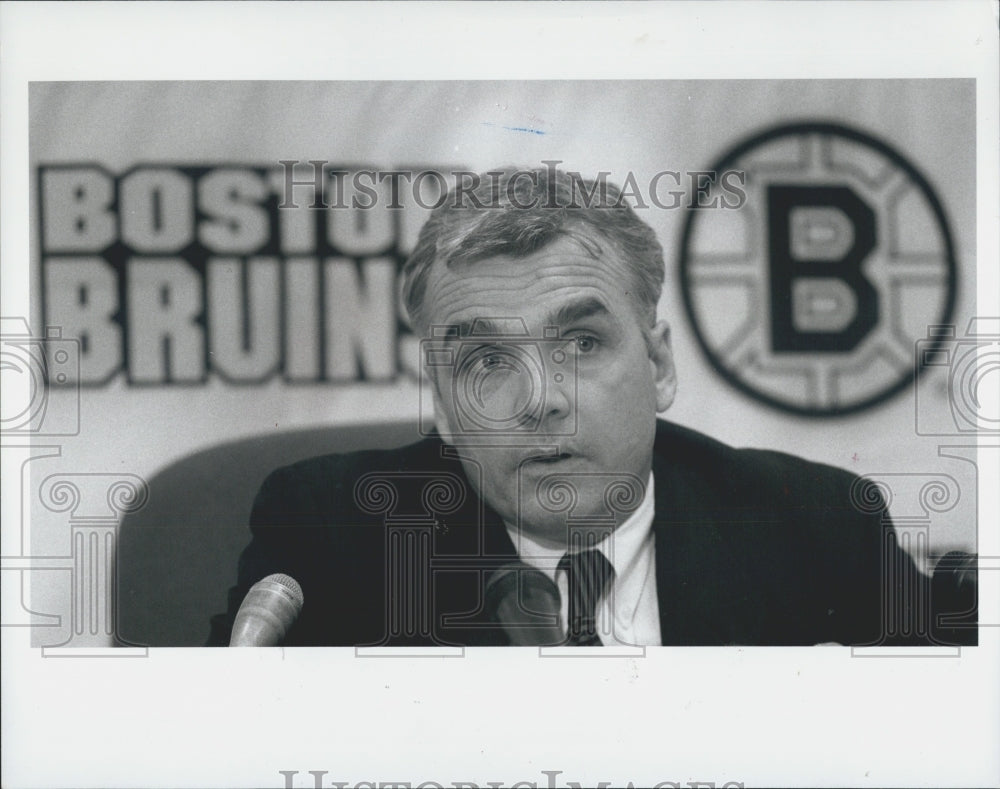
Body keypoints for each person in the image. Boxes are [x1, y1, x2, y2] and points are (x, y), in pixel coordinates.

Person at [208, 166, 967, 647]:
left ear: (660, 363)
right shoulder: (330, 536)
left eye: (580, 344)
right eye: (486, 362)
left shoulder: (815, 525)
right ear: (440, 402)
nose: (542, 402)